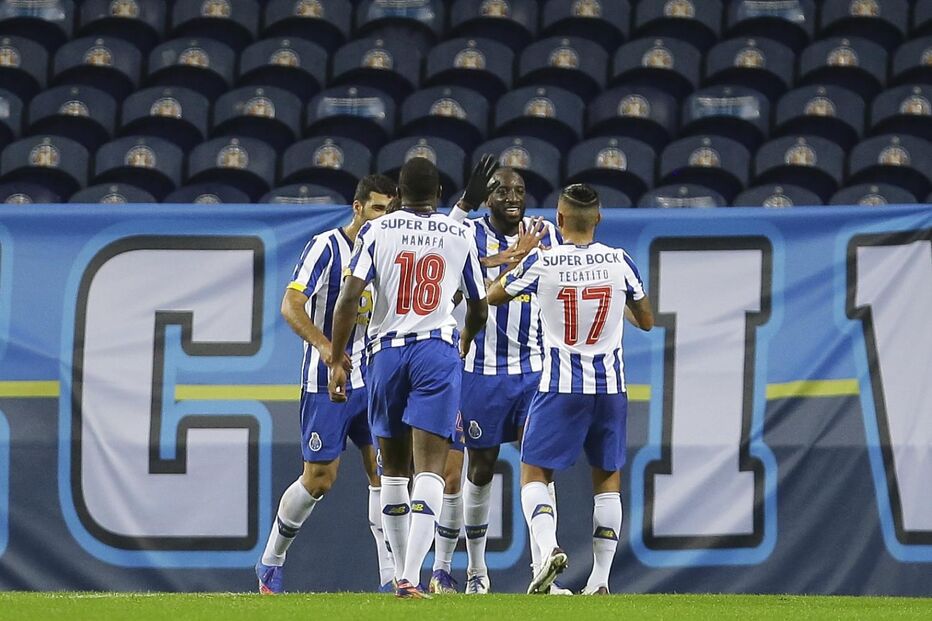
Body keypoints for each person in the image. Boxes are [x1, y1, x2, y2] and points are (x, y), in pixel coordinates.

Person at [327, 157, 488, 598]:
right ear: (439, 195)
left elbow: (348, 299)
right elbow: (478, 306)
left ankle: (400, 571)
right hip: (436, 350)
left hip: (385, 354)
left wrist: (336, 360)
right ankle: (411, 575)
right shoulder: (459, 234)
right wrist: (466, 339)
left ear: (397, 195)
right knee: (431, 468)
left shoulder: (377, 230)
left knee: (394, 470)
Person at [485, 183, 654, 595]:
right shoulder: (620, 261)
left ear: (559, 219)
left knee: (534, 472)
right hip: (610, 387)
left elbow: (492, 295)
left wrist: (518, 258)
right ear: (599, 219)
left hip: (561, 385)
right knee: (607, 479)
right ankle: (600, 580)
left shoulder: (543, 262)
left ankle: (547, 550)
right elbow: (647, 320)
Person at [255, 174, 398, 594]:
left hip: (375, 378)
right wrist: (327, 349)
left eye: (390, 210)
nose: (383, 218)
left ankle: (392, 577)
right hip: (327, 380)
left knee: (387, 475)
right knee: (319, 479)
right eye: (377, 208)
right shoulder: (326, 247)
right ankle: (271, 559)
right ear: (357, 208)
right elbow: (291, 304)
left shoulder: (392, 250)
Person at [443, 165, 566, 595]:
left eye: (519, 190)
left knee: (540, 465)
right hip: (481, 370)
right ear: (487, 198)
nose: (513, 197)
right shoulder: (468, 235)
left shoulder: (546, 232)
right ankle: (477, 571)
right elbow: (455, 289)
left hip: (535, 369)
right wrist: (513, 258)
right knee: (480, 468)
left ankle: (543, 568)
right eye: (502, 191)